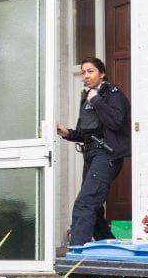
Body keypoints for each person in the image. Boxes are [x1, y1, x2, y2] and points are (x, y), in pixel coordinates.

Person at [56, 57, 131, 246]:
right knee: (94, 209)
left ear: (102, 73)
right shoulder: (87, 97)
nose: (86, 76)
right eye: (83, 72)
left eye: (91, 71)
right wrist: (67, 133)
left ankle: (76, 255)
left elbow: (116, 122)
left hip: (107, 155)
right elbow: (86, 133)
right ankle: (112, 250)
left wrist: (96, 100)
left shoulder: (112, 94)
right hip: (90, 155)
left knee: (85, 203)